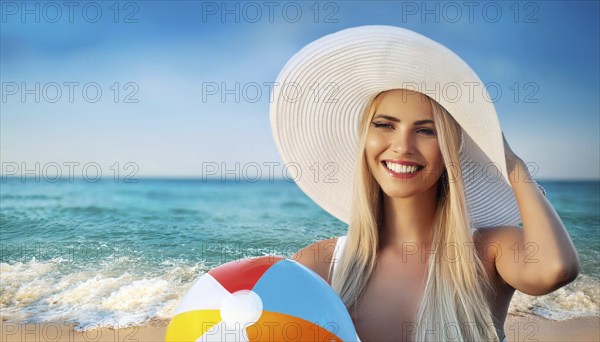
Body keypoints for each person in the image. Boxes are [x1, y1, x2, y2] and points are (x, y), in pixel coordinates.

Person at [270, 26, 580, 342]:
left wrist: (511, 163)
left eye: (426, 131)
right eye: (385, 125)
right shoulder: (320, 264)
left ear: (449, 149)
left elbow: (556, 268)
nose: (402, 146)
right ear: (365, 139)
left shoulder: (488, 251)